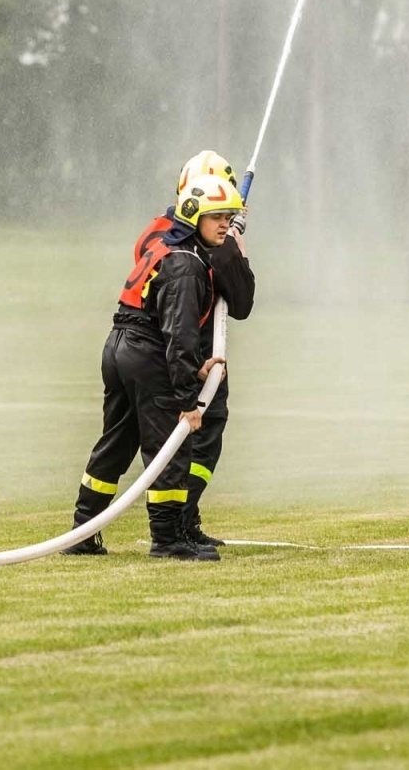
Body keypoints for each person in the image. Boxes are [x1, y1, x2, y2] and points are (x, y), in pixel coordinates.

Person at [61, 172, 247, 560]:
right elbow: (179, 337)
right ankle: (167, 540)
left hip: (121, 346)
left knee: (117, 441)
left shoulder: (173, 249)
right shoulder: (187, 265)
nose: (226, 225)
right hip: (146, 353)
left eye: (228, 217)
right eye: (217, 217)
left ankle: (82, 530)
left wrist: (193, 370)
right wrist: (188, 402)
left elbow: (163, 326)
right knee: (170, 447)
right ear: (194, 215)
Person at [127, 151, 254, 547]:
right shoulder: (191, 242)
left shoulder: (167, 230)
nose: (223, 219)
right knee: (186, 434)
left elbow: (241, 304)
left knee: (203, 435)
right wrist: (230, 250)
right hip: (179, 347)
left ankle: (187, 517)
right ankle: (174, 528)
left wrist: (234, 248)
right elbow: (236, 301)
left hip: (176, 348)